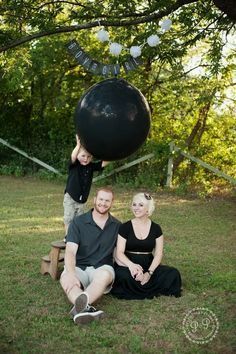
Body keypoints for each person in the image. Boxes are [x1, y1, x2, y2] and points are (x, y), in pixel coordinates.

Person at [60, 187, 120, 325]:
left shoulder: (117, 225)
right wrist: (70, 273)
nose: (103, 203)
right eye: (101, 199)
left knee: (104, 276)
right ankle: (85, 308)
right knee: (66, 280)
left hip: (102, 267)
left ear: (111, 203)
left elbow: (119, 253)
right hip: (79, 266)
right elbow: (70, 251)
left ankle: (80, 307)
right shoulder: (78, 222)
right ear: (94, 200)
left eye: (107, 201)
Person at [111, 192, 182, 299]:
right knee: (123, 276)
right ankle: (142, 285)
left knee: (173, 273)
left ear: (148, 209)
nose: (136, 208)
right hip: (127, 264)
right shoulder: (125, 227)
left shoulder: (156, 228)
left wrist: (149, 273)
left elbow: (158, 254)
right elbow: (119, 252)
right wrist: (131, 266)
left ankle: (143, 283)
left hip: (148, 264)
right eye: (134, 204)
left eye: (140, 205)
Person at [63, 134, 108, 237]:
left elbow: (104, 163)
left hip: (82, 199)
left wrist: (110, 152)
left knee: (79, 219)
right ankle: (68, 236)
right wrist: (78, 145)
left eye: (89, 157)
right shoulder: (74, 165)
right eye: (83, 156)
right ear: (78, 155)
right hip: (70, 197)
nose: (86, 159)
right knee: (69, 218)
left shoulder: (91, 166)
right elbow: (73, 156)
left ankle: (77, 236)